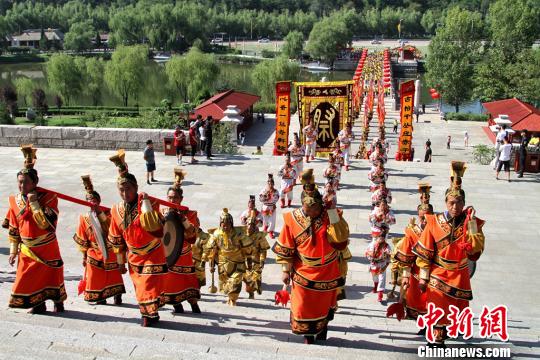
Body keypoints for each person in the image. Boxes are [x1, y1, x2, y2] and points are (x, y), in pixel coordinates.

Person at [273, 169, 349, 344]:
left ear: (320, 205)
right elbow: (286, 245)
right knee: (302, 305)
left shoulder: (329, 215)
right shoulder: (292, 219)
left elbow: (341, 239)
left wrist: (331, 212)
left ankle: (322, 330)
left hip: (327, 269)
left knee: (324, 305)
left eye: (314, 208)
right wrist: (285, 269)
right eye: (307, 208)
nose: (311, 212)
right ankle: (308, 335)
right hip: (302, 271)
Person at [413, 161, 485, 346]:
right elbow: (425, 252)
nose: (455, 206)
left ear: (465, 203)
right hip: (438, 272)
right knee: (437, 306)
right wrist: (423, 277)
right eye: (452, 203)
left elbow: (476, 251)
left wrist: (471, 225)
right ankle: (435, 340)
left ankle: (443, 335)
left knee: (453, 311)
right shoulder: (434, 221)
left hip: (460, 274)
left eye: (459, 202)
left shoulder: (471, 222)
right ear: (445, 202)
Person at [3, 145, 66, 314]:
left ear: (35, 183)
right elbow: (14, 228)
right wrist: (13, 251)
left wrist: (34, 203)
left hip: (46, 246)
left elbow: (47, 225)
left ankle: (57, 302)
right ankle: (37, 304)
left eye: (25, 182)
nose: (21, 185)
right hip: (27, 248)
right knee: (27, 277)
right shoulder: (13, 201)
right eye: (19, 182)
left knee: (51, 276)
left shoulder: (49, 198)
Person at [108, 150, 166, 327]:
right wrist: (120, 261)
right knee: (140, 288)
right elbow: (116, 237)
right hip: (133, 257)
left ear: (136, 188)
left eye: (128, 189)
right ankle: (150, 313)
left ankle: (147, 315)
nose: (125, 193)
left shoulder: (149, 203)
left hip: (152, 253)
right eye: (121, 190)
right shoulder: (115, 209)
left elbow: (157, 228)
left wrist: (146, 203)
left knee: (147, 285)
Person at [73, 175, 125, 305]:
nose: (92, 202)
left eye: (94, 200)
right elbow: (82, 238)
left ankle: (116, 294)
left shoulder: (108, 213)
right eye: (89, 200)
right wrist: (84, 256)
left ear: (99, 200)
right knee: (95, 274)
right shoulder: (84, 218)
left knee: (113, 274)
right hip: (94, 250)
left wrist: (99, 212)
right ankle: (99, 296)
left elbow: (110, 227)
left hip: (109, 248)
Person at [161, 170, 202, 314]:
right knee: (170, 282)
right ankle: (176, 305)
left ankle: (194, 305)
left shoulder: (190, 214)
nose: (172, 201)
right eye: (170, 197)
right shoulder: (162, 212)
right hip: (169, 254)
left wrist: (182, 218)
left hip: (184, 254)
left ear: (181, 198)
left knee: (188, 280)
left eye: (175, 198)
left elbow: (193, 234)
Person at [394, 183, 434, 319]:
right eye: (422, 218)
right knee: (417, 302)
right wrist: (405, 275)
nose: (424, 221)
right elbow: (406, 255)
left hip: (436, 273)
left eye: (427, 218)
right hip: (416, 274)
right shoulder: (412, 232)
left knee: (434, 303)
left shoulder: (437, 231)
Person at [202, 208, 255, 306]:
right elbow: (211, 251)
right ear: (220, 224)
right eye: (223, 224)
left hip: (237, 262)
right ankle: (230, 297)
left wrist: (249, 260)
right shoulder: (216, 234)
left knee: (236, 281)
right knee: (226, 284)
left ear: (231, 223)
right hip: (223, 263)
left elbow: (248, 248)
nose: (225, 227)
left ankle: (233, 299)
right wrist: (211, 264)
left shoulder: (239, 234)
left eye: (228, 224)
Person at [242, 206, 270, 299]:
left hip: (256, 260)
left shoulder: (259, 236)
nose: (249, 227)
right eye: (248, 225)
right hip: (246, 261)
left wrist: (262, 260)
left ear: (254, 227)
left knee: (255, 277)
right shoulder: (242, 236)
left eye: (252, 226)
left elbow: (263, 250)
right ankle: (250, 290)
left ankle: (253, 291)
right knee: (246, 278)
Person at [365, 224, 392, 303]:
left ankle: (380, 294)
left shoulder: (386, 246)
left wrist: (387, 255)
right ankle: (375, 286)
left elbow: (389, 255)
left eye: (383, 238)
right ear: (377, 237)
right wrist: (371, 255)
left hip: (382, 264)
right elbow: (367, 252)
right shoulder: (372, 244)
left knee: (382, 279)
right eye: (380, 238)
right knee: (375, 277)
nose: (381, 239)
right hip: (374, 263)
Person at [259, 174, 280, 239]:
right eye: (269, 183)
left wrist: (271, 197)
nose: (270, 185)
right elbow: (260, 199)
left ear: (273, 184)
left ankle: (271, 231)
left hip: (272, 207)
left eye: (271, 183)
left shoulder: (276, 191)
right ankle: (265, 227)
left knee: (272, 220)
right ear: (267, 184)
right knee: (265, 219)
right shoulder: (264, 190)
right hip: (265, 207)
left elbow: (276, 198)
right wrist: (265, 198)